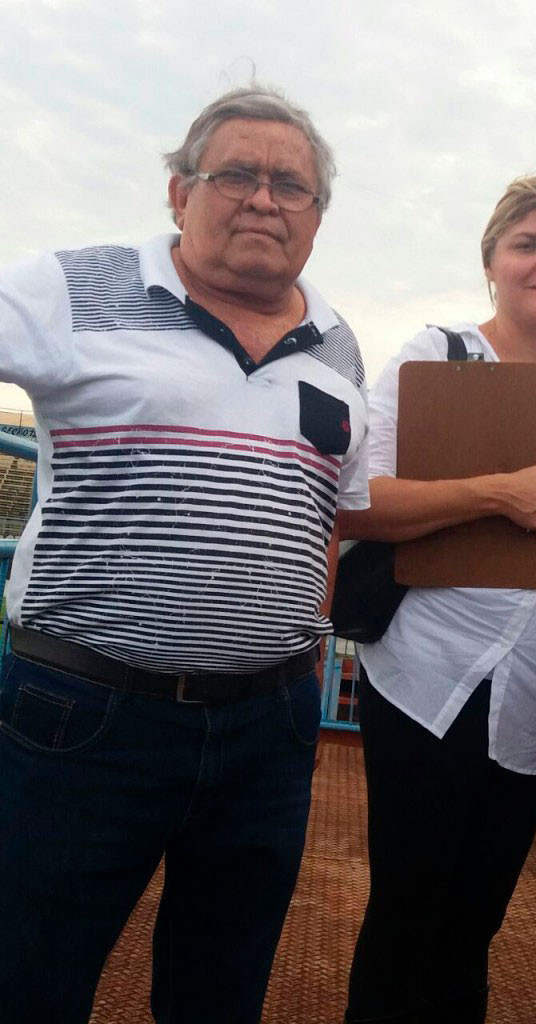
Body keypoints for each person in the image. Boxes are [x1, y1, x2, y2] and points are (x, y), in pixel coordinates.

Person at [0, 85, 369, 1024]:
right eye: (235, 173)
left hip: (270, 727)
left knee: (220, 994)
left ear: (317, 218)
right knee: (29, 981)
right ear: (178, 192)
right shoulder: (71, 287)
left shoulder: (339, 348)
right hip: (84, 715)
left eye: (292, 186)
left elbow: (329, 511)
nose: (263, 199)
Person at [337, 174, 536, 1024]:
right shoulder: (440, 355)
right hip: (431, 677)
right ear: (492, 262)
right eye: (527, 244)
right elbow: (356, 500)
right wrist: (495, 494)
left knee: (474, 926)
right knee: (405, 916)